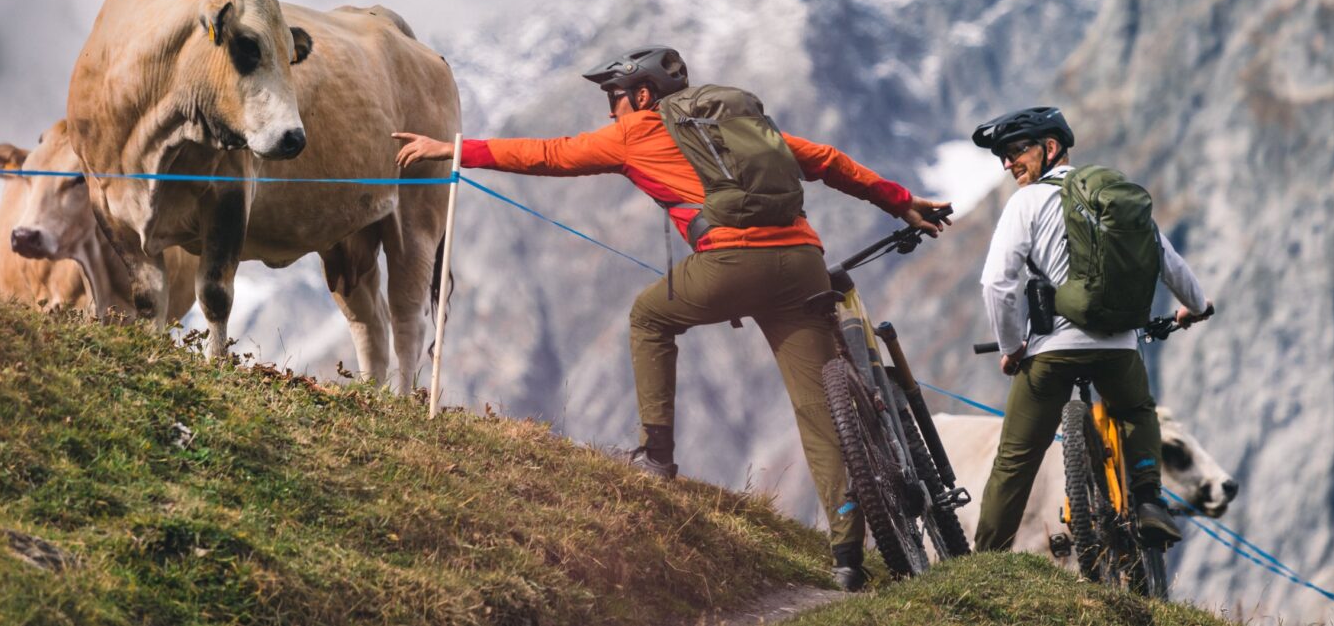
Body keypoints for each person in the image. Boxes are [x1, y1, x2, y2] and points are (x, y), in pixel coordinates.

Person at [394, 45, 953, 592]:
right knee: (818, 411)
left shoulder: (637, 131)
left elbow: (551, 154)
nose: (609, 111)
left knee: (648, 317)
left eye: (614, 98)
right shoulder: (741, 128)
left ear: (642, 95)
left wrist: (455, 149)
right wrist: (900, 201)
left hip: (732, 264)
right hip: (804, 262)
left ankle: (656, 455)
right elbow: (827, 160)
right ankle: (847, 554)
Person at [970, 105, 1212, 553]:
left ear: (1050, 147)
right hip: (1118, 349)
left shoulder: (1026, 203)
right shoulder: (1116, 200)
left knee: (1016, 458)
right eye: (1003, 156)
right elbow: (1168, 261)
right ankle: (1148, 499)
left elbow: (997, 285)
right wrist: (1196, 307)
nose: (1007, 163)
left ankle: (985, 562)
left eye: (1015, 151)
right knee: (1137, 410)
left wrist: (1013, 347)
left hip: (1051, 351)